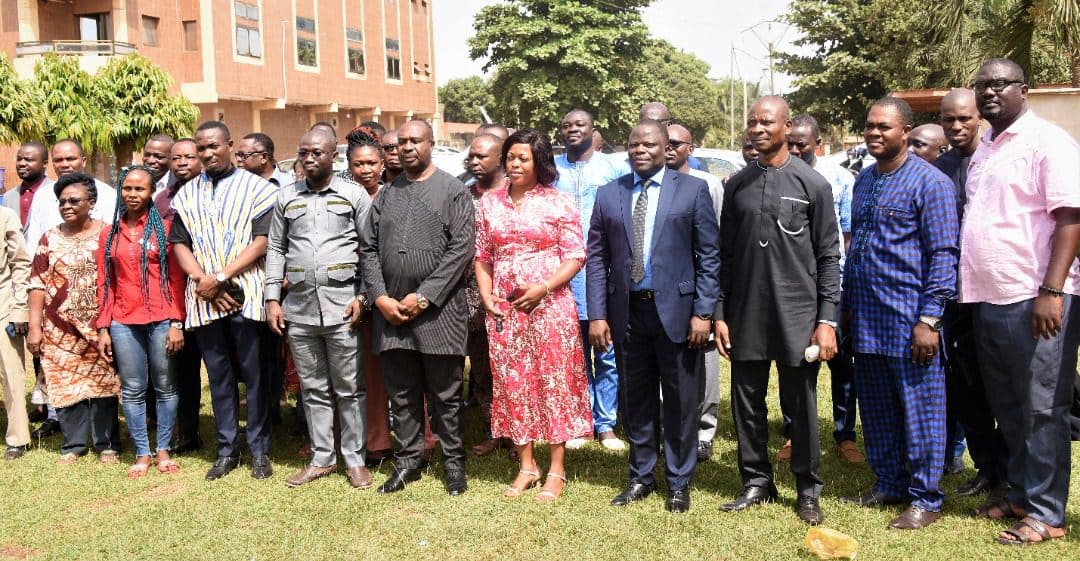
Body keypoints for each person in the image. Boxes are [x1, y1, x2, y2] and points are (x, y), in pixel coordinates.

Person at [962, 58, 1079, 545]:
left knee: (1042, 407)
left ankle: (1048, 514)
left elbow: (1071, 218)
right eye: (982, 86)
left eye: (1000, 85)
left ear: (1024, 90)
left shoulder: (1047, 142)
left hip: (1037, 297)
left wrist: (1052, 291)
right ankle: (1022, 493)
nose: (990, 93)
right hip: (990, 297)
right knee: (1008, 404)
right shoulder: (986, 147)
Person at [714, 96, 840, 525]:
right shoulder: (737, 185)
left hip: (797, 313)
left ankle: (807, 489)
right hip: (745, 309)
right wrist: (719, 313)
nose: (758, 128)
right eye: (752, 122)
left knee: (800, 404)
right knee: (746, 402)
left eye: (767, 121)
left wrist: (826, 321)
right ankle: (756, 481)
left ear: (787, 127)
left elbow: (828, 256)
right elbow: (723, 255)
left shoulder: (812, 185)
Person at [589, 120, 721, 513]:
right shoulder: (609, 194)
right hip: (628, 312)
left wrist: (703, 312)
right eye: (634, 144)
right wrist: (598, 314)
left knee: (682, 400)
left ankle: (679, 480)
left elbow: (710, 257)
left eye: (649, 144)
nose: (640, 150)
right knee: (637, 399)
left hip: (679, 313)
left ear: (666, 149)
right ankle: (641, 475)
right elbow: (597, 260)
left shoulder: (693, 191)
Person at [840, 97, 959, 530]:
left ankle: (925, 498)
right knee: (876, 411)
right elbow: (856, 252)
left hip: (910, 322)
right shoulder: (864, 180)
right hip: (867, 322)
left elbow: (944, 255)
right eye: (870, 126)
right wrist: (846, 310)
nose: (874, 133)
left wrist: (929, 320)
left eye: (884, 127)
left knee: (922, 412)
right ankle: (889, 481)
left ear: (905, 131)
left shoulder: (930, 183)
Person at [475, 129, 592, 501]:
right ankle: (527, 465)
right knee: (513, 382)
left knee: (553, 381)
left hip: (551, 306)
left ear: (539, 162)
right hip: (506, 308)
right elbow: (482, 256)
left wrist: (543, 288)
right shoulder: (489, 203)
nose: (515, 164)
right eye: (510, 157)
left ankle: (556, 468)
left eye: (523, 158)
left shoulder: (559, 203)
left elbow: (576, 255)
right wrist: (486, 296)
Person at [359, 119, 473, 496]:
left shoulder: (453, 191)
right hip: (392, 315)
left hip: (439, 314)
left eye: (415, 141)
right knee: (403, 395)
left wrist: (424, 296)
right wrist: (379, 298)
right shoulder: (388, 194)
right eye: (401, 142)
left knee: (445, 396)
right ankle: (408, 462)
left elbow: (461, 251)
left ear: (431, 143)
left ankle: (453, 465)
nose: (407, 147)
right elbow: (369, 250)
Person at [168, 121, 278, 481]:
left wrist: (221, 276)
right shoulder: (185, 194)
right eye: (201, 148)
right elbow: (180, 244)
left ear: (230, 145)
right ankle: (227, 449)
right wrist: (203, 280)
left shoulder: (257, 188)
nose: (207, 153)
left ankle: (260, 450)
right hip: (204, 297)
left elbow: (262, 241)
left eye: (213, 146)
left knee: (254, 374)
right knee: (218, 376)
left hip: (244, 293)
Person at [266, 129, 373, 489]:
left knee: (349, 389)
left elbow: (369, 250)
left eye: (316, 152)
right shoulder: (285, 198)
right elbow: (276, 250)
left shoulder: (354, 195)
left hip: (343, 306)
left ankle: (355, 460)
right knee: (312, 389)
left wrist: (363, 297)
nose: (309, 158)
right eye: (303, 152)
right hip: (299, 309)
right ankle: (322, 458)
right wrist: (271, 299)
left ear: (333, 156)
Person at [345, 130, 438, 467]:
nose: (366, 170)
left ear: (383, 163)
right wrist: (369, 296)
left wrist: (384, 295)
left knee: (410, 373)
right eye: (359, 164)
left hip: (399, 299)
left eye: (372, 163)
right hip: (364, 300)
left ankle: (423, 439)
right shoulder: (345, 196)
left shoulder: (396, 194)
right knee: (371, 375)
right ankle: (378, 441)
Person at [934, 88, 1008, 498]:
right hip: (955, 297)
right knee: (966, 387)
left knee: (1003, 386)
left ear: (979, 116)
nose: (956, 126)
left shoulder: (997, 160)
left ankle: (1011, 470)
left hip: (996, 292)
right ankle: (986, 468)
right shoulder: (939, 168)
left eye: (964, 118)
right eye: (949, 120)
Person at [95, 166, 187, 478]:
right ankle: (142, 452)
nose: (133, 195)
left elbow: (176, 280)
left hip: (161, 318)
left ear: (151, 193)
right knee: (133, 389)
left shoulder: (163, 229)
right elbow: (105, 283)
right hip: (123, 320)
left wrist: (176, 321)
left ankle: (162, 448)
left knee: (165, 386)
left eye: (140, 190)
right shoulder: (110, 235)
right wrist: (104, 326)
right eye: (127, 189)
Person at [784, 114, 863, 466]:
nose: (797, 149)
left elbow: (847, 238)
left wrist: (839, 293)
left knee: (842, 368)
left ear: (817, 143)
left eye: (803, 143)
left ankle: (845, 435)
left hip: (835, 288)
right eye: (792, 143)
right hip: (796, 291)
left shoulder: (841, 180)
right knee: (797, 366)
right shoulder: (780, 177)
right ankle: (794, 433)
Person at [26, 173, 119, 464]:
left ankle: (107, 444)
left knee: (104, 384)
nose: (66, 205)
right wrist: (34, 327)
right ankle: (74, 445)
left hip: (99, 327)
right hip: (59, 329)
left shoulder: (107, 234)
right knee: (65, 383)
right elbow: (38, 284)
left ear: (91, 203)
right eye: (62, 201)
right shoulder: (49, 238)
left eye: (74, 200)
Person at [554, 109, 628, 451]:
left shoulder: (613, 168)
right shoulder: (551, 169)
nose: (572, 130)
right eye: (566, 125)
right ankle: (579, 422)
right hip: (562, 274)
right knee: (574, 354)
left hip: (604, 271)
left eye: (579, 125)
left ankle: (606, 424)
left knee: (607, 351)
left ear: (592, 130)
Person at [664, 123, 724, 461]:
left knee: (706, 362)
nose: (670, 148)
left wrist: (712, 303)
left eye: (677, 143)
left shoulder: (709, 185)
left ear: (691, 148)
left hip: (702, 289)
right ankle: (671, 427)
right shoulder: (650, 185)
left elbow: (715, 244)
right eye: (665, 143)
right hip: (667, 292)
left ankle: (704, 431)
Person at [236, 132, 290, 427]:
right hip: (248, 279)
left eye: (245, 156)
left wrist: (285, 276)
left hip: (282, 282)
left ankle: (276, 407)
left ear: (265, 157)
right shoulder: (239, 188)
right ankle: (262, 410)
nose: (240, 161)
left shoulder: (288, 187)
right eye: (239, 156)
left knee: (277, 350)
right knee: (253, 350)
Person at [156, 138, 205, 454]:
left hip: (210, 290)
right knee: (182, 371)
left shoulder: (210, 193)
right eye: (176, 158)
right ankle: (187, 432)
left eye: (189, 156)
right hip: (174, 294)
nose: (182, 162)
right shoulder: (162, 199)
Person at [464, 133, 510, 457]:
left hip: (509, 295)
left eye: (482, 156)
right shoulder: (462, 195)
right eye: (471, 156)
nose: (474, 162)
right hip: (471, 295)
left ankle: (519, 435)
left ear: (500, 158)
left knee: (511, 370)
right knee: (482, 370)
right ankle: (495, 430)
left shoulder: (515, 195)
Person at [5, 141, 56, 436]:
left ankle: (52, 409)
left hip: (44, 275)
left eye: (30, 159)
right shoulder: (9, 197)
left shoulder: (54, 193)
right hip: (15, 279)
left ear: (44, 163)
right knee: (28, 340)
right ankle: (39, 401)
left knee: (45, 341)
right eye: (20, 159)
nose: (23, 163)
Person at [0, 203, 30, 460]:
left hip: (3, 304)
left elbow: (20, 264)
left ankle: (17, 438)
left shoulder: (5, 216)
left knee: (12, 375)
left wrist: (19, 309)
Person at [638, 102, 706, 172]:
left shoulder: (691, 164)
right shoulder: (632, 163)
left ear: (668, 124)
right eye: (643, 123)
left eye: (655, 123)